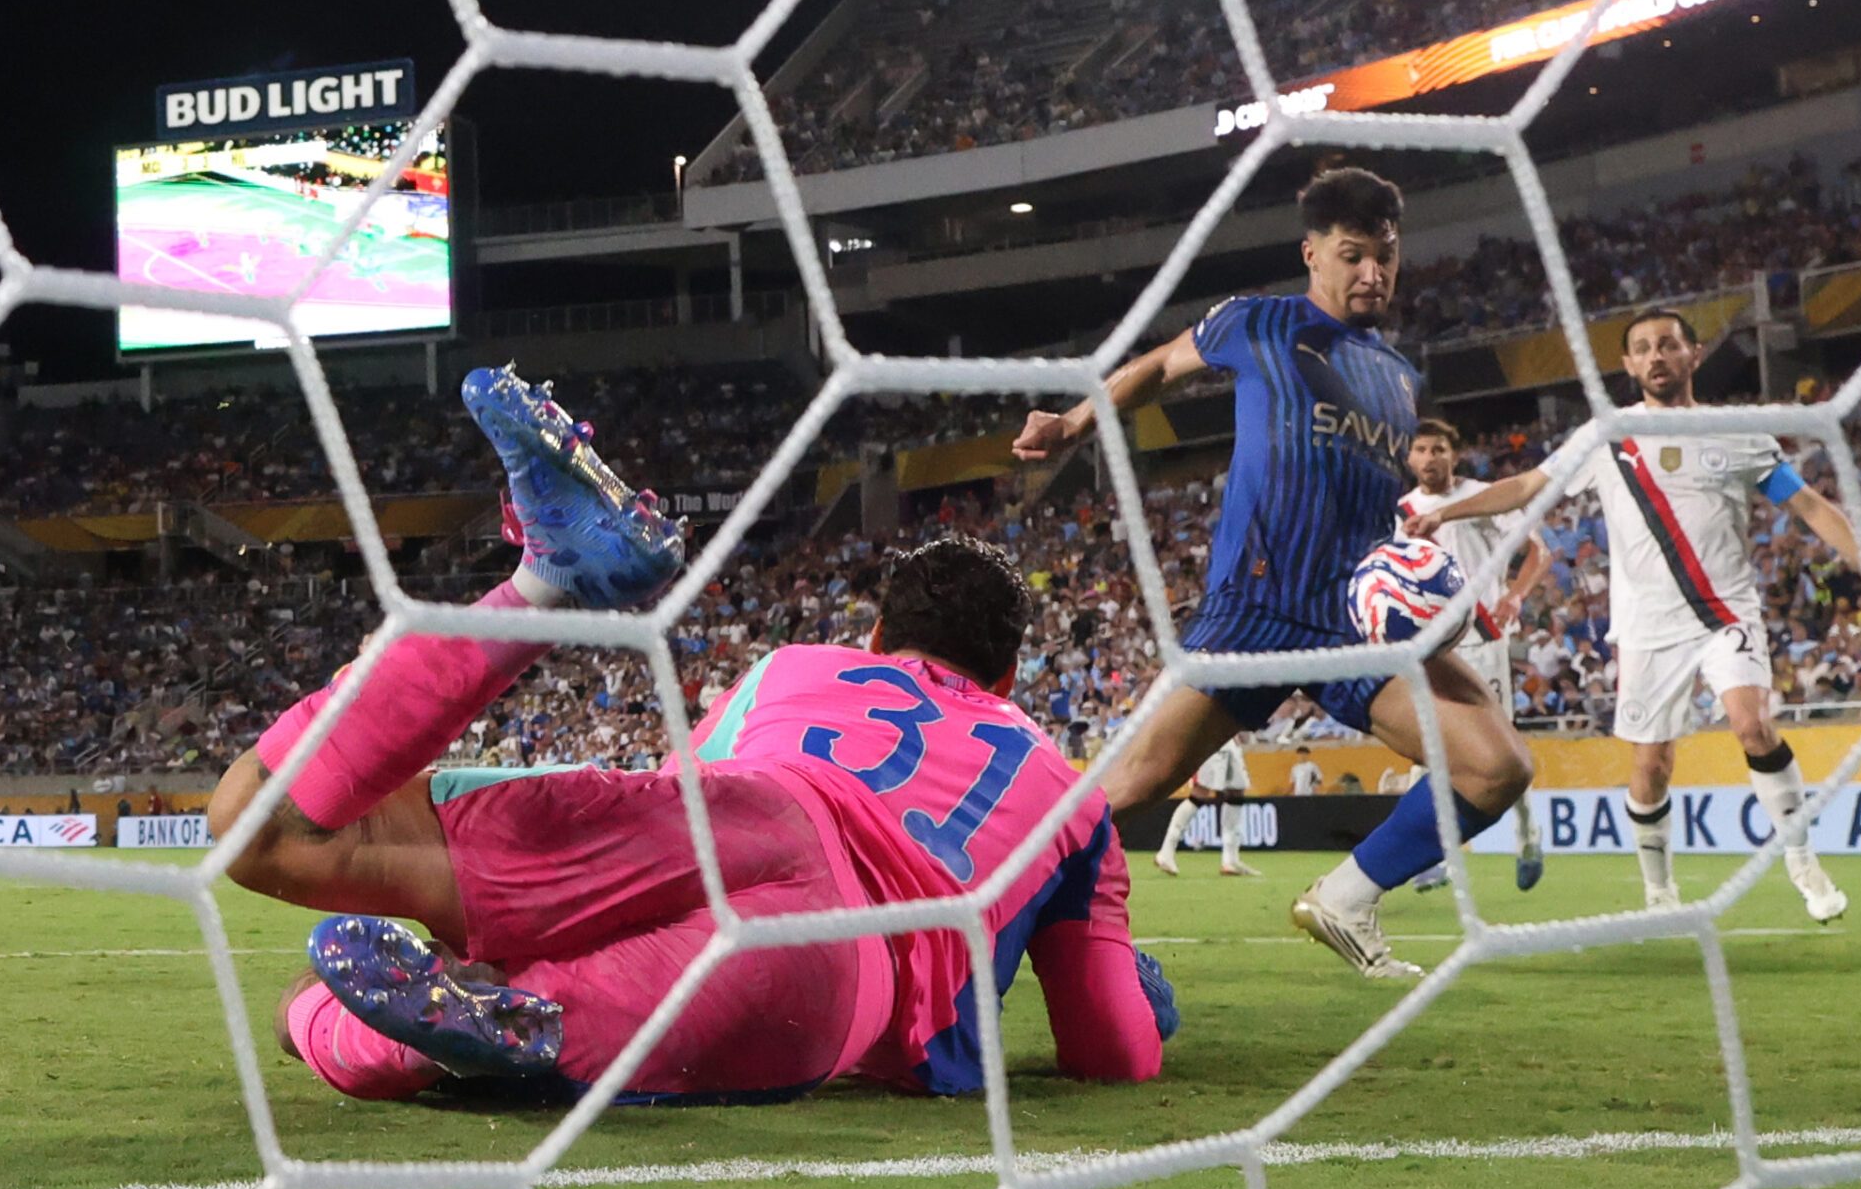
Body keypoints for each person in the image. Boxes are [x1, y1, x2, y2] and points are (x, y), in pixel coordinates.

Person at [216, 366, 1174, 1103]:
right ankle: (421, 1027)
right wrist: (1144, 998)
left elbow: (669, 805)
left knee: (265, 828)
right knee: (530, 1030)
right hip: (848, 969)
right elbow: (1110, 1052)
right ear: (1007, 680)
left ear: (876, 640)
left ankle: (543, 585)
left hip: (754, 813)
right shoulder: (1069, 795)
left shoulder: (795, 666)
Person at [1013, 167, 1531, 980]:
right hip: (1257, 606)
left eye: (1385, 256)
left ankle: (1346, 897)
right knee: (1131, 784)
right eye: (1353, 255)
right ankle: (980, 899)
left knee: (1498, 766)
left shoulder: (1399, 377)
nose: (1372, 273)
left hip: (1354, 623)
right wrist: (1076, 421)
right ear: (1312, 253)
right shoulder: (1259, 322)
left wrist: (1410, 576)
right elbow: (1155, 366)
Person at [1412, 311, 1861, 921]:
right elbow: (1526, 486)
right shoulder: (1608, 436)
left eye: (1668, 345)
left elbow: (1808, 505)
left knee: (1751, 725)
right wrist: (1446, 515)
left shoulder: (1737, 434)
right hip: (1647, 625)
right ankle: (1659, 893)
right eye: (1643, 348)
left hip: (1724, 610)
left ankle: (1803, 864)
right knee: (1650, 764)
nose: (1656, 356)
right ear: (1627, 365)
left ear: (1693, 355)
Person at [1395, 416, 1553, 893]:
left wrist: (1516, 595)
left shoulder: (1483, 497)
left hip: (1483, 639)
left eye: (1438, 449)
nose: (1429, 459)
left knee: (1500, 751)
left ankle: (1527, 835)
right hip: (1429, 645)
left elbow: (1538, 551)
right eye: (1421, 450)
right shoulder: (1400, 510)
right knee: (1428, 749)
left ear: (1454, 454)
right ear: (1409, 457)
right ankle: (1433, 856)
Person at [1154, 737, 1260, 877]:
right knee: (1200, 792)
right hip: (1209, 737)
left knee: (1237, 790)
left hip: (1228, 738)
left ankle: (1230, 859)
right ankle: (1166, 852)